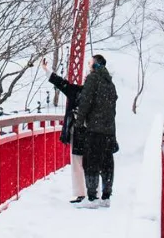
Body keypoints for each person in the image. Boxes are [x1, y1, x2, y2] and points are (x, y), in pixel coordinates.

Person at [40, 58, 87, 203]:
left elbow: (61, 83)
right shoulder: (99, 94)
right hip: (92, 132)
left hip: (78, 132)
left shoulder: (75, 91)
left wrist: (47, 71)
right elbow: (60, 82)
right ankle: (93, 193)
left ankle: (81, 193)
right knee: (90, 163)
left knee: (78, 163)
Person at [75, 54, 118, 208]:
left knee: (92, 162)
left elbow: (85, 102)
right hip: (109, 130)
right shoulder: (110, 83)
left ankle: (92, 198)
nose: (88, 64)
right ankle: (106, 197)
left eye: (90, 62)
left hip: (95, 129)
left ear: (96, 65)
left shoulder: (93, 79)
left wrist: (79, 123)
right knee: (107, 163)